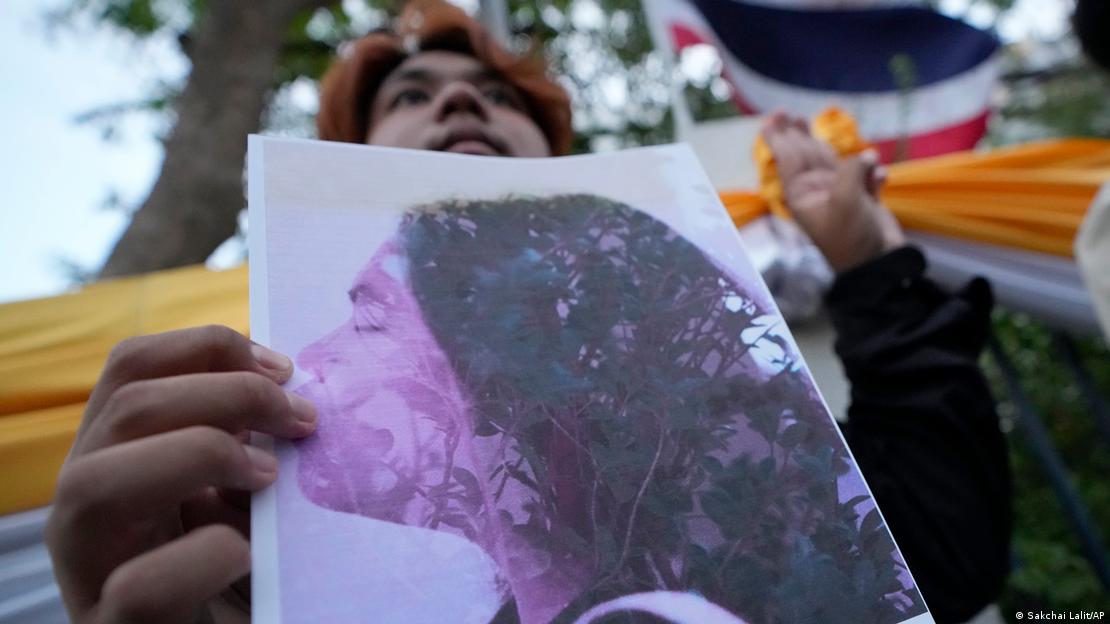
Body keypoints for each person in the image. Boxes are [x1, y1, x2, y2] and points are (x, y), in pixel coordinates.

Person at [44, 1, 1011, 622]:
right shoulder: (223, 494)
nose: (463, 104)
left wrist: (868, 257)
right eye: (414, 97)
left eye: (499, 98)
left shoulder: (733, 491)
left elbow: (942, 553)